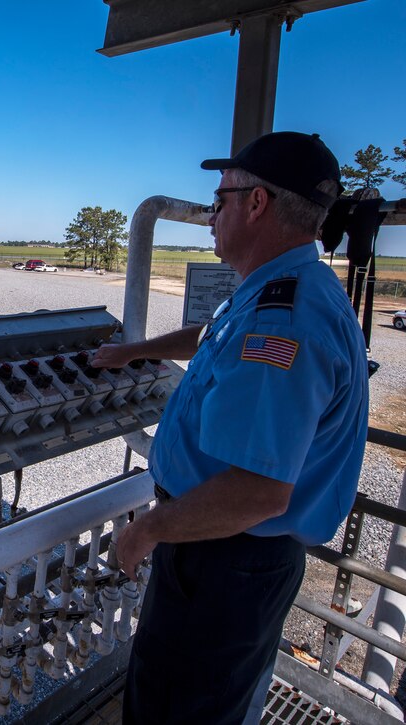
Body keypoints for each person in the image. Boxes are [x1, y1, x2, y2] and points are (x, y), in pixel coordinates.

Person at [92, 132, 368, 724]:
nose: (211, 216)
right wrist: (135, 350)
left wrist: (147, 532)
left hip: (224, 558)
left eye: (219, 202)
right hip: (233, 553)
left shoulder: (284, 323)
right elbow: (211, 335)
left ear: (257, 204)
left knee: (178, 707)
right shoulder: (282, 287)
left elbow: (257, 492)